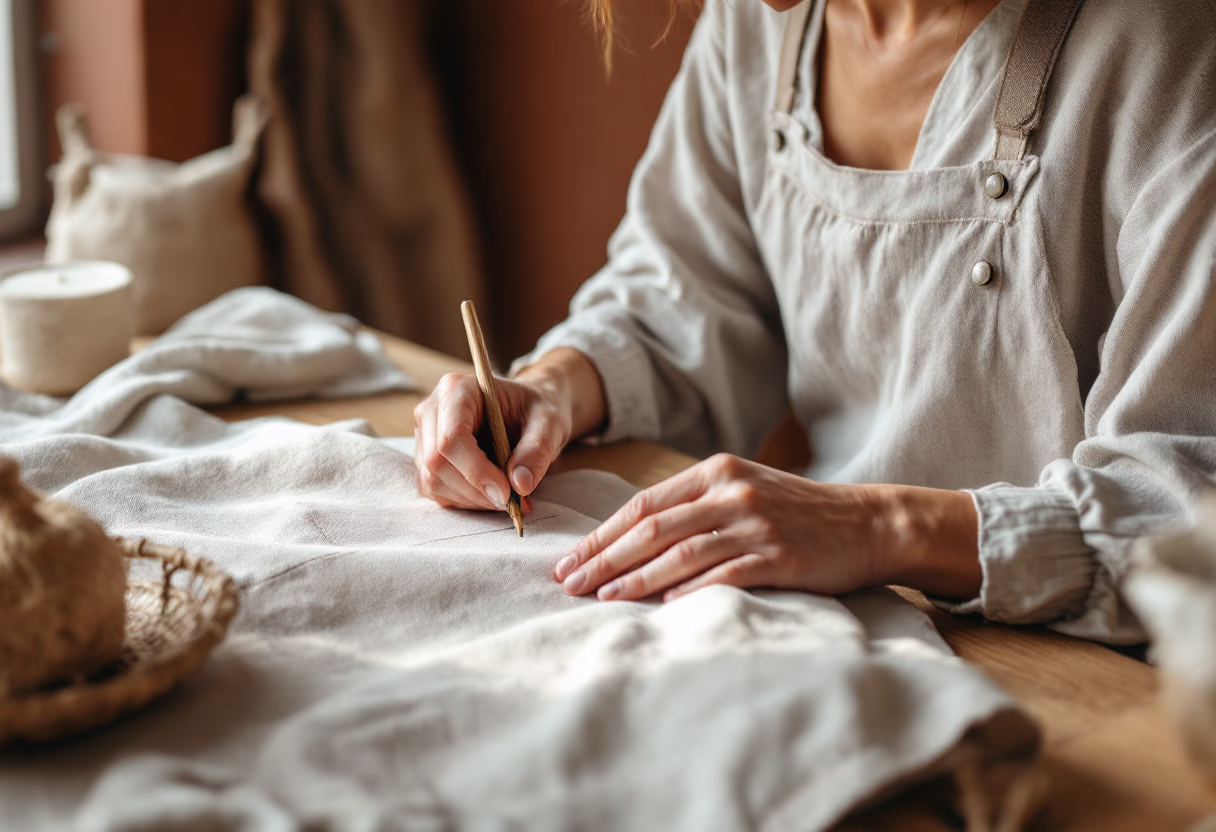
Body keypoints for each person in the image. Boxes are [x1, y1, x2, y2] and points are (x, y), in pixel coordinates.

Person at [413, 0, 1216, 643]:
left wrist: (883, 526)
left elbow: (1186, 507)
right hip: (845, 621)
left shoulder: (1174, 54)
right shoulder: (765, 19)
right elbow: (687, 294)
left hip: (1116, 674)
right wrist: (554, 386)